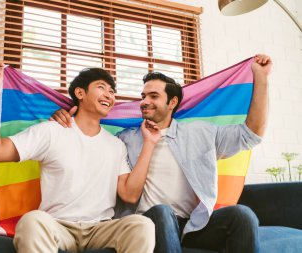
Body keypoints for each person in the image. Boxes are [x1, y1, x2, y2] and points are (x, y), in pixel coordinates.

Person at [51, 54, 272, 253]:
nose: (144, 101)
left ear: (172, 102)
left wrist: (261, 78)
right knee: (163, 212)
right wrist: (64, 117)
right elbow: (91, 136)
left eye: (153, 96)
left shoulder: (199, 133)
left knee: (242, 216)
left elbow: (251, 134)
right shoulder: (124, 139)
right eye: (143, 96)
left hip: (193, 225)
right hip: (149, 222)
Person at [0, 62, 160, 253]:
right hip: (58, 225)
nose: (109, 95)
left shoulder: (116, 145)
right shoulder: (51, 132)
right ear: (80, 93)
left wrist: (149, 143)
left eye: (112, 91)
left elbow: (129, 195)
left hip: (101, 228)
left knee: (142, 225)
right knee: (31, 221)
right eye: (101, 87)